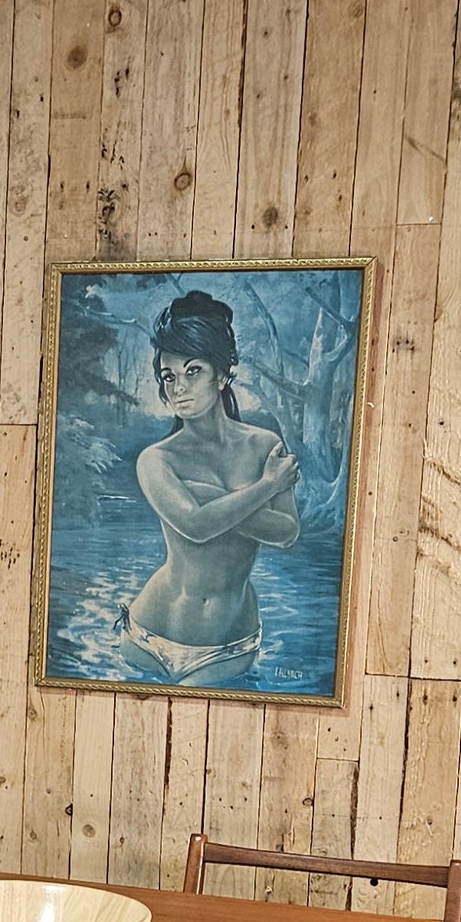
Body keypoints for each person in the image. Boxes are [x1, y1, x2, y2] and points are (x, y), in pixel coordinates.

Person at [118, 292, 299, 687]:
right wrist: (266, 486)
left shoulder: (263, 445)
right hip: (147, 637)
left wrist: (209, 502)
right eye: (169, 377)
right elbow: (195, 526)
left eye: (193, 371)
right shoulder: (156, 459)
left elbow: (286, 532)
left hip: (228, 646)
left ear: (221, 374)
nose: (179, 387)